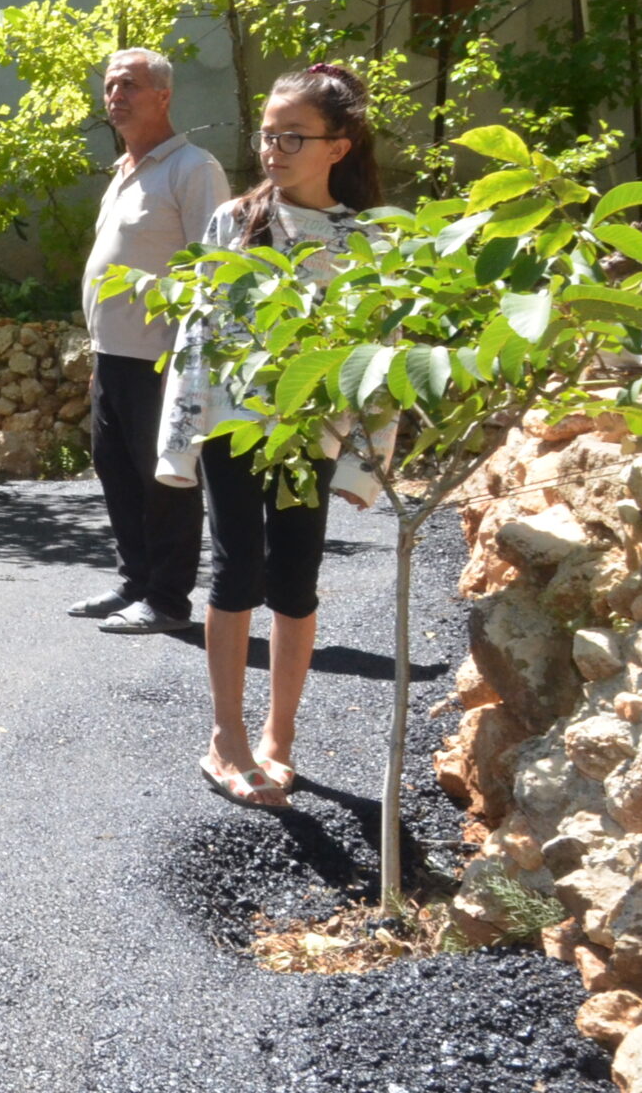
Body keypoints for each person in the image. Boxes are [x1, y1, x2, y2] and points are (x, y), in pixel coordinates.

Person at [157, 62, 389, 809]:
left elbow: (379, 358)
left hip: (313, 435)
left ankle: (279, 738)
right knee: (236, 574)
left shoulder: (368, 240)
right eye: (267, 134)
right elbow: (198, 336)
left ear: (337, 147)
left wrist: (364, 465)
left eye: (294, 136)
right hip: (234, 429)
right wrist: (179, 443)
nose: (273, 149)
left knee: (295, 580)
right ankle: (225, 738)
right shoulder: (235, 222)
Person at [71, 49, 230, 635]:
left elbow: (216, 268)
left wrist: (195, 362)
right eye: (110, 85)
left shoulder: (193, 168)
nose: (116, 95)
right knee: (117, 473)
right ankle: (135, 581)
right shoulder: (124, 171)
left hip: (164, 360)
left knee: (166, 479)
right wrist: (99, 354)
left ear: (163, 96)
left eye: (129, 85)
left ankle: (167, 600)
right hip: (113, 357)